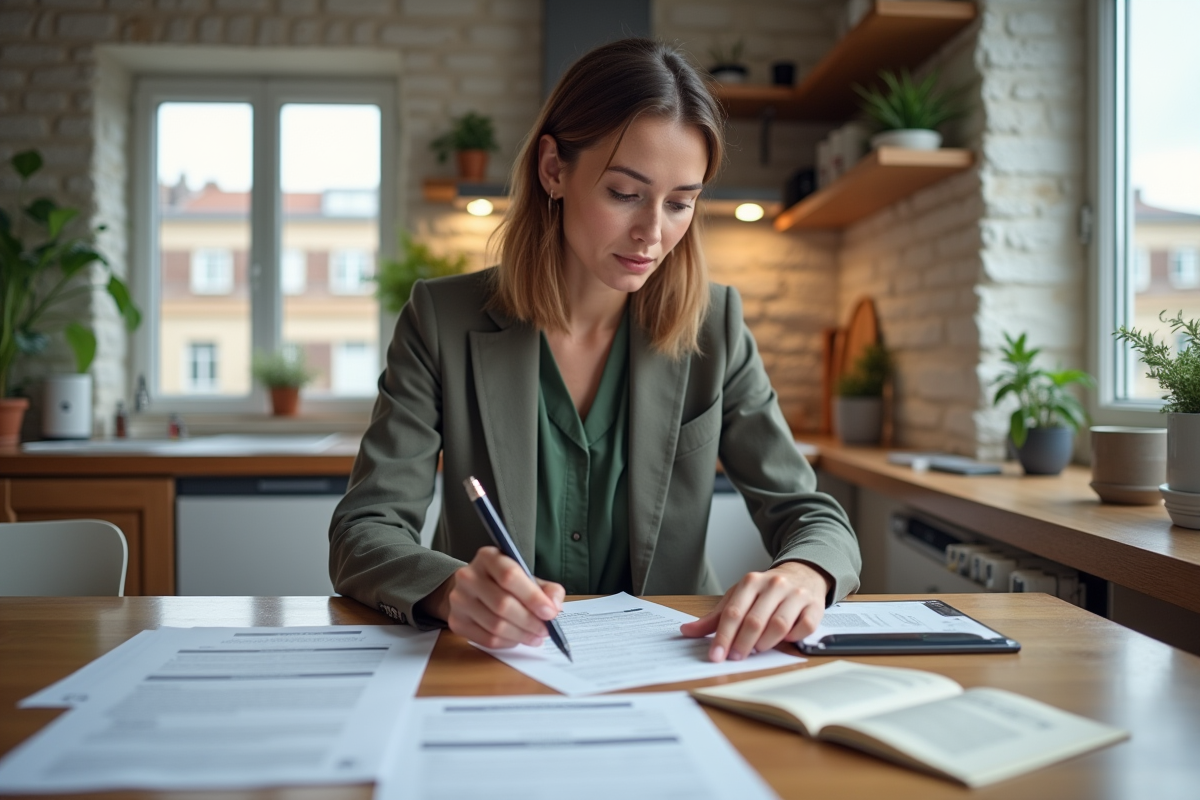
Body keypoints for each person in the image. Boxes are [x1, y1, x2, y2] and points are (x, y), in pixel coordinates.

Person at [329, 38, 861, 664]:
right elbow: (363, 531)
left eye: (680, 202)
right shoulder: (440, 320)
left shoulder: (715, 326)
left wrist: (804, 575)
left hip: (680, 663)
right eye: (625, 193)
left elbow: (811, 515)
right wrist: (450, 589)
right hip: (495, 668)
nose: (653, 233)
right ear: (553, 169)